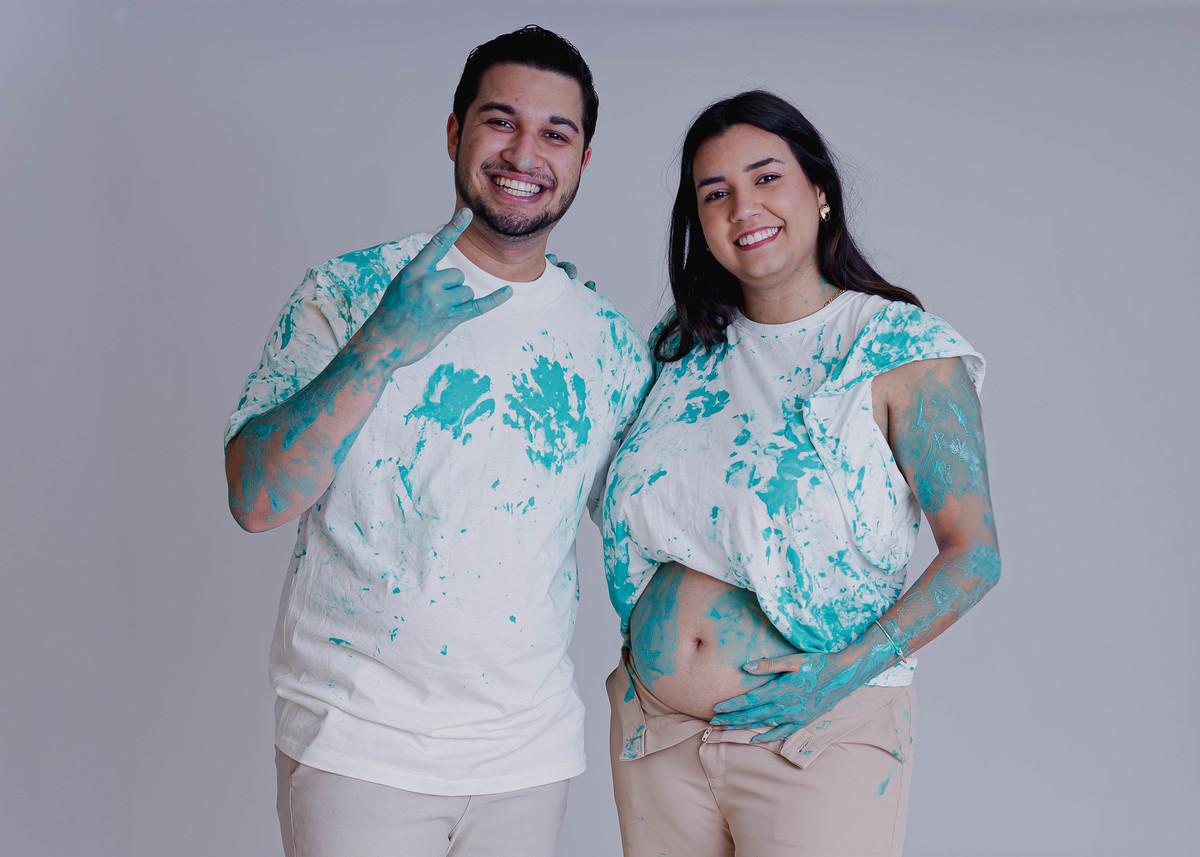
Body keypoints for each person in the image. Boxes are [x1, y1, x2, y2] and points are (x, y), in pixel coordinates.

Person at [223, 26, 651, 857]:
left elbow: (654, 532)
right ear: (455, 132)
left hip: (526, 755)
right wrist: (382, 343)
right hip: (359, 746)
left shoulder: (606, 340)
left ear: (583, 159)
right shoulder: (349, 291)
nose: (524, 152)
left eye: (555, 133)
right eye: (500, 121)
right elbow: (255, 498)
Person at [602, 90, 1001, 857]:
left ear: (819, 191)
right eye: (714, 193)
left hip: (814, 733)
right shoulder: (682, 349)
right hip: (658, 738)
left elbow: (975, 553)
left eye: (766, 177)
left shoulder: (898, 348)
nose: (742, 207)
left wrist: (841, 674)